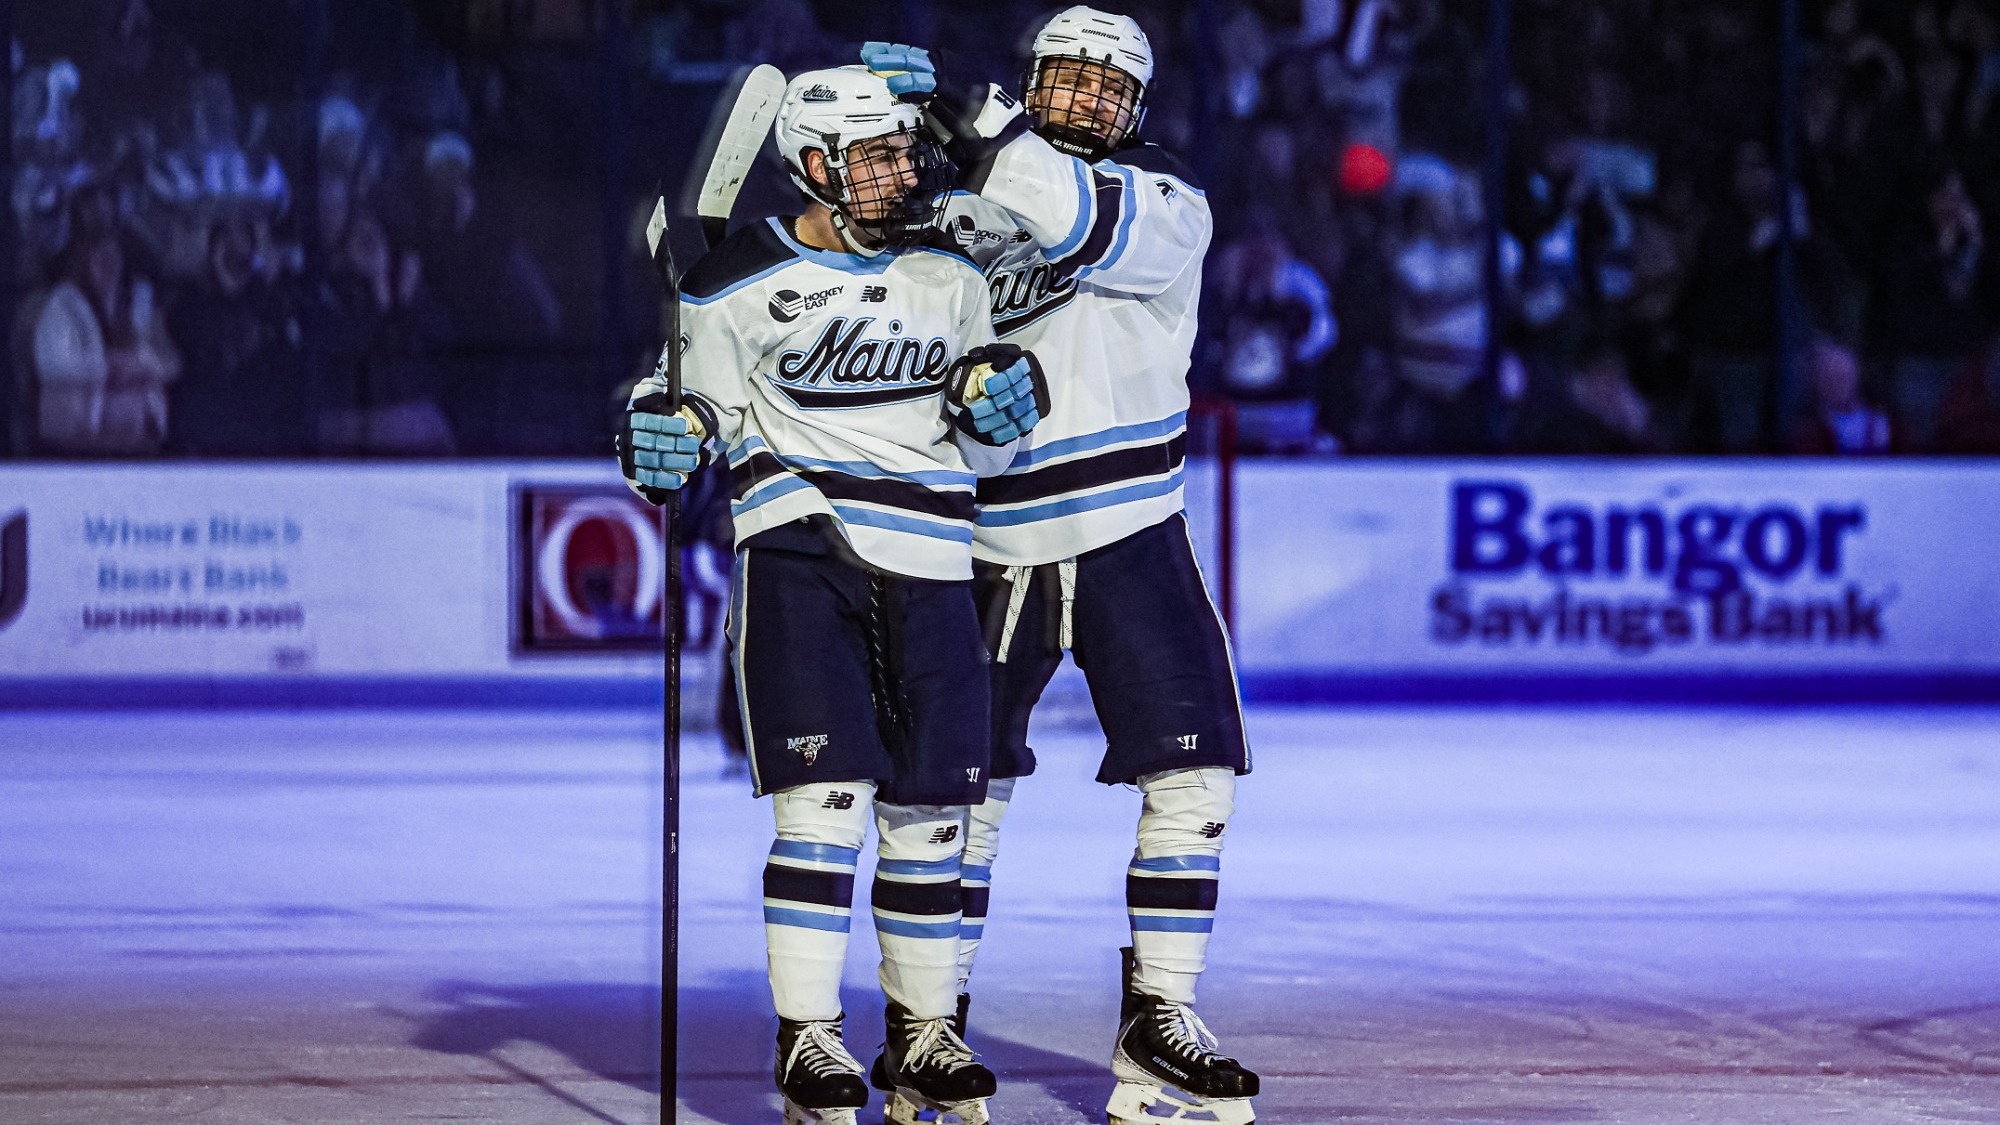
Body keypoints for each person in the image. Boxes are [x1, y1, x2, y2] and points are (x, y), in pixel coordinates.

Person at [617, 65, 1048, 1125]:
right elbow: (693, 407)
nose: (903, 172)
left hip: (938, 563)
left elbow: (988, 414)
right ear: (813, 165)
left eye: (905, 151)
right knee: (825, 805)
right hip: (802, 555)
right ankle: (808, 1035)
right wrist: (663, 432)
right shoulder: (735, 282)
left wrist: (999, 401)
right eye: (876, 157)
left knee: (934, 812)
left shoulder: (952, 273)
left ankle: (923, 1033)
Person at [862, 12, 1260, 1124]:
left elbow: (1071, 216)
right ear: (1034, 82)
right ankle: (925, 1025)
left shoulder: (1169, 201)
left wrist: (976, 121)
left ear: (1137, 108)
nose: (1084, 99)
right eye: (1065, 78)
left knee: (1197, 778)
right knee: (952, 790)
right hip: (987, 537)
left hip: (1133, 525)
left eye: (1106, 85)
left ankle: (1160, 1019)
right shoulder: (960, 193)